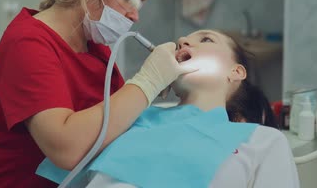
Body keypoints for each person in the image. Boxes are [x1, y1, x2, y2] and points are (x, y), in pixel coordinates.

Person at [0, 0, 196, 187]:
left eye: (139, 4)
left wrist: (151, 91)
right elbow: (66, 148)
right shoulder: (28, 43)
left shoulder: (92, 43)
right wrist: (147, 82)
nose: (135, 16)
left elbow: (113, 125)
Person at [38, 30, 299, 188]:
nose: (183, 40)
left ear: (236, 72)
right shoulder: (131, 119)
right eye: (181, 42)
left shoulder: (262, 141)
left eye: (206, 39)